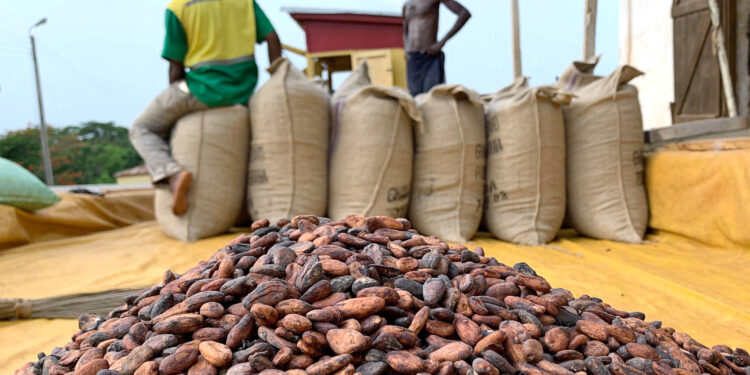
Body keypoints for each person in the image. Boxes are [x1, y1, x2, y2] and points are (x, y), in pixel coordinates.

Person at [129, 0, 281, 217]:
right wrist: (277, 79)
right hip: (243, 90)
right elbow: (272, 38)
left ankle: (171, 173)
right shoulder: (244, 2)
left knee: (142, 128)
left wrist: (176, 108)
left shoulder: (178, 7)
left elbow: (175, 67)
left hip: (200, 89)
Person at [402, 0, 471, 97]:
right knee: (414, 99)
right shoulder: (407, 4)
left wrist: (442, 42)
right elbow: (405, 28)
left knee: (433, 97)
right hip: (413, 59)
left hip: (430, 56)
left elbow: (464, 14)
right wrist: (406, 49)